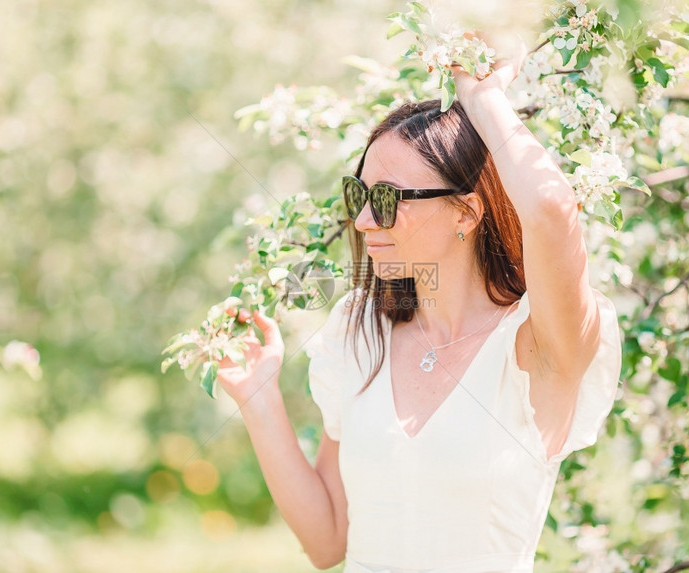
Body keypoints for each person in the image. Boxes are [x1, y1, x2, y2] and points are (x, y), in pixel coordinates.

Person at [216, 41, 622, 573]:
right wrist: (259, 399)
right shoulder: (359, 331)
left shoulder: (539, 345)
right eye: (358, 196)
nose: (363, 222)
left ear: (466, 211)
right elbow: (328, 540)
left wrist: (481, 96)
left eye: (386, 200)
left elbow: (550, 209)